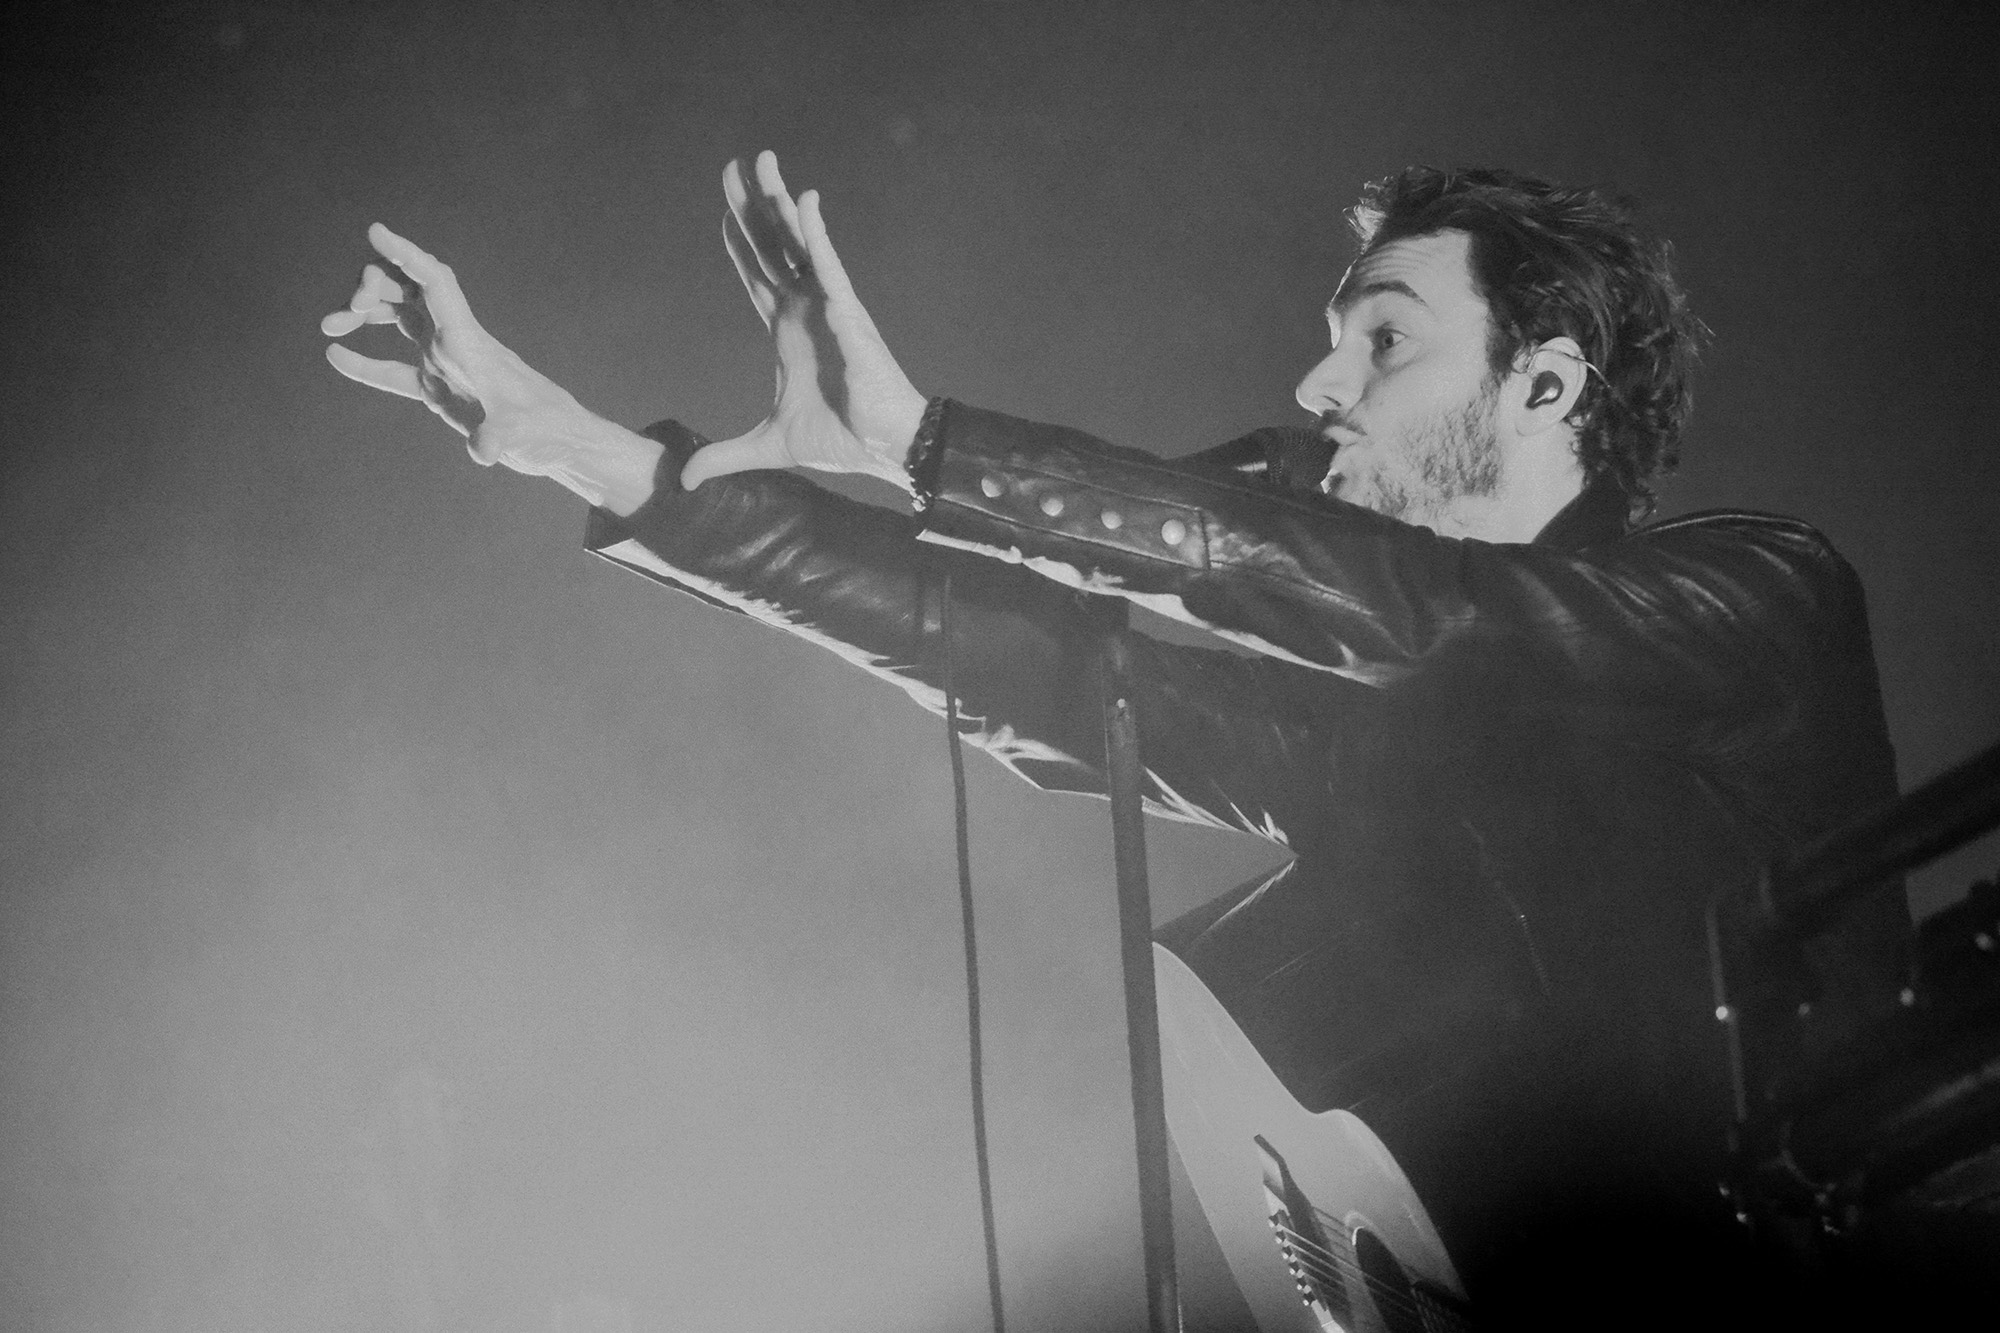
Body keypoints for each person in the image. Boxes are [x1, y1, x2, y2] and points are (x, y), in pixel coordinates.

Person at [324, 153, 1913, 1327]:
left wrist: (924, 442)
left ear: (1546, 385)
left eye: (1384, 340)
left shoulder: (1759, 597)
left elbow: (1447, 620)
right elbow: (1037, 672)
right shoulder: (1385, 735)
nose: (1320, 382)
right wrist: (594, 457)